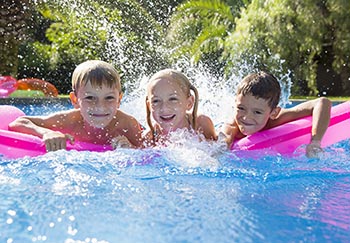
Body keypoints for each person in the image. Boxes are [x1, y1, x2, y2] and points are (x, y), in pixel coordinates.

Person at [9, 60, 143, 151]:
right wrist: (47, 132)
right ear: (74, 100)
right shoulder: (68, 121)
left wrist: (131, 149)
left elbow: (152, 151)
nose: (100, 106)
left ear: (119, 100)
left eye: (109, 98)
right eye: (90, 98)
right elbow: (18, 122)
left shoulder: (127, 125)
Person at [220, 71, 332, 158]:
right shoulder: (232, 126)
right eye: (241, 108)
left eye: (257, 112)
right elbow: (223, 141)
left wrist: (315, 142)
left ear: (274, 113)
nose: (246, 117)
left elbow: (322, 102)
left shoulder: (278, 119)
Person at [143, 68, 217, 146]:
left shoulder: (201, 124)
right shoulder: (151, 137)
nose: (164, 108)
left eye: (173, 99)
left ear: (189, 103)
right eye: (156, 101)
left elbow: (217, 150)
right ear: (149, 106)